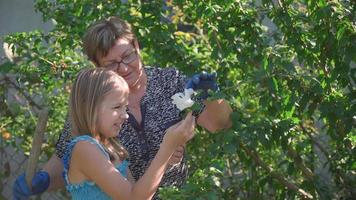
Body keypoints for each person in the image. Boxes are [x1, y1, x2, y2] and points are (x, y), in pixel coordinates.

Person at [13, 16, 232, 199]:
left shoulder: (169, 82)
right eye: (111, 64)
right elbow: (66, 159)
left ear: (137, 46)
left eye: (127, 55)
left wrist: (212, 94)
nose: (124, 68)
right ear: (97, 67)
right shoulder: (92, 105)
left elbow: (219, 123)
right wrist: (42, 179)